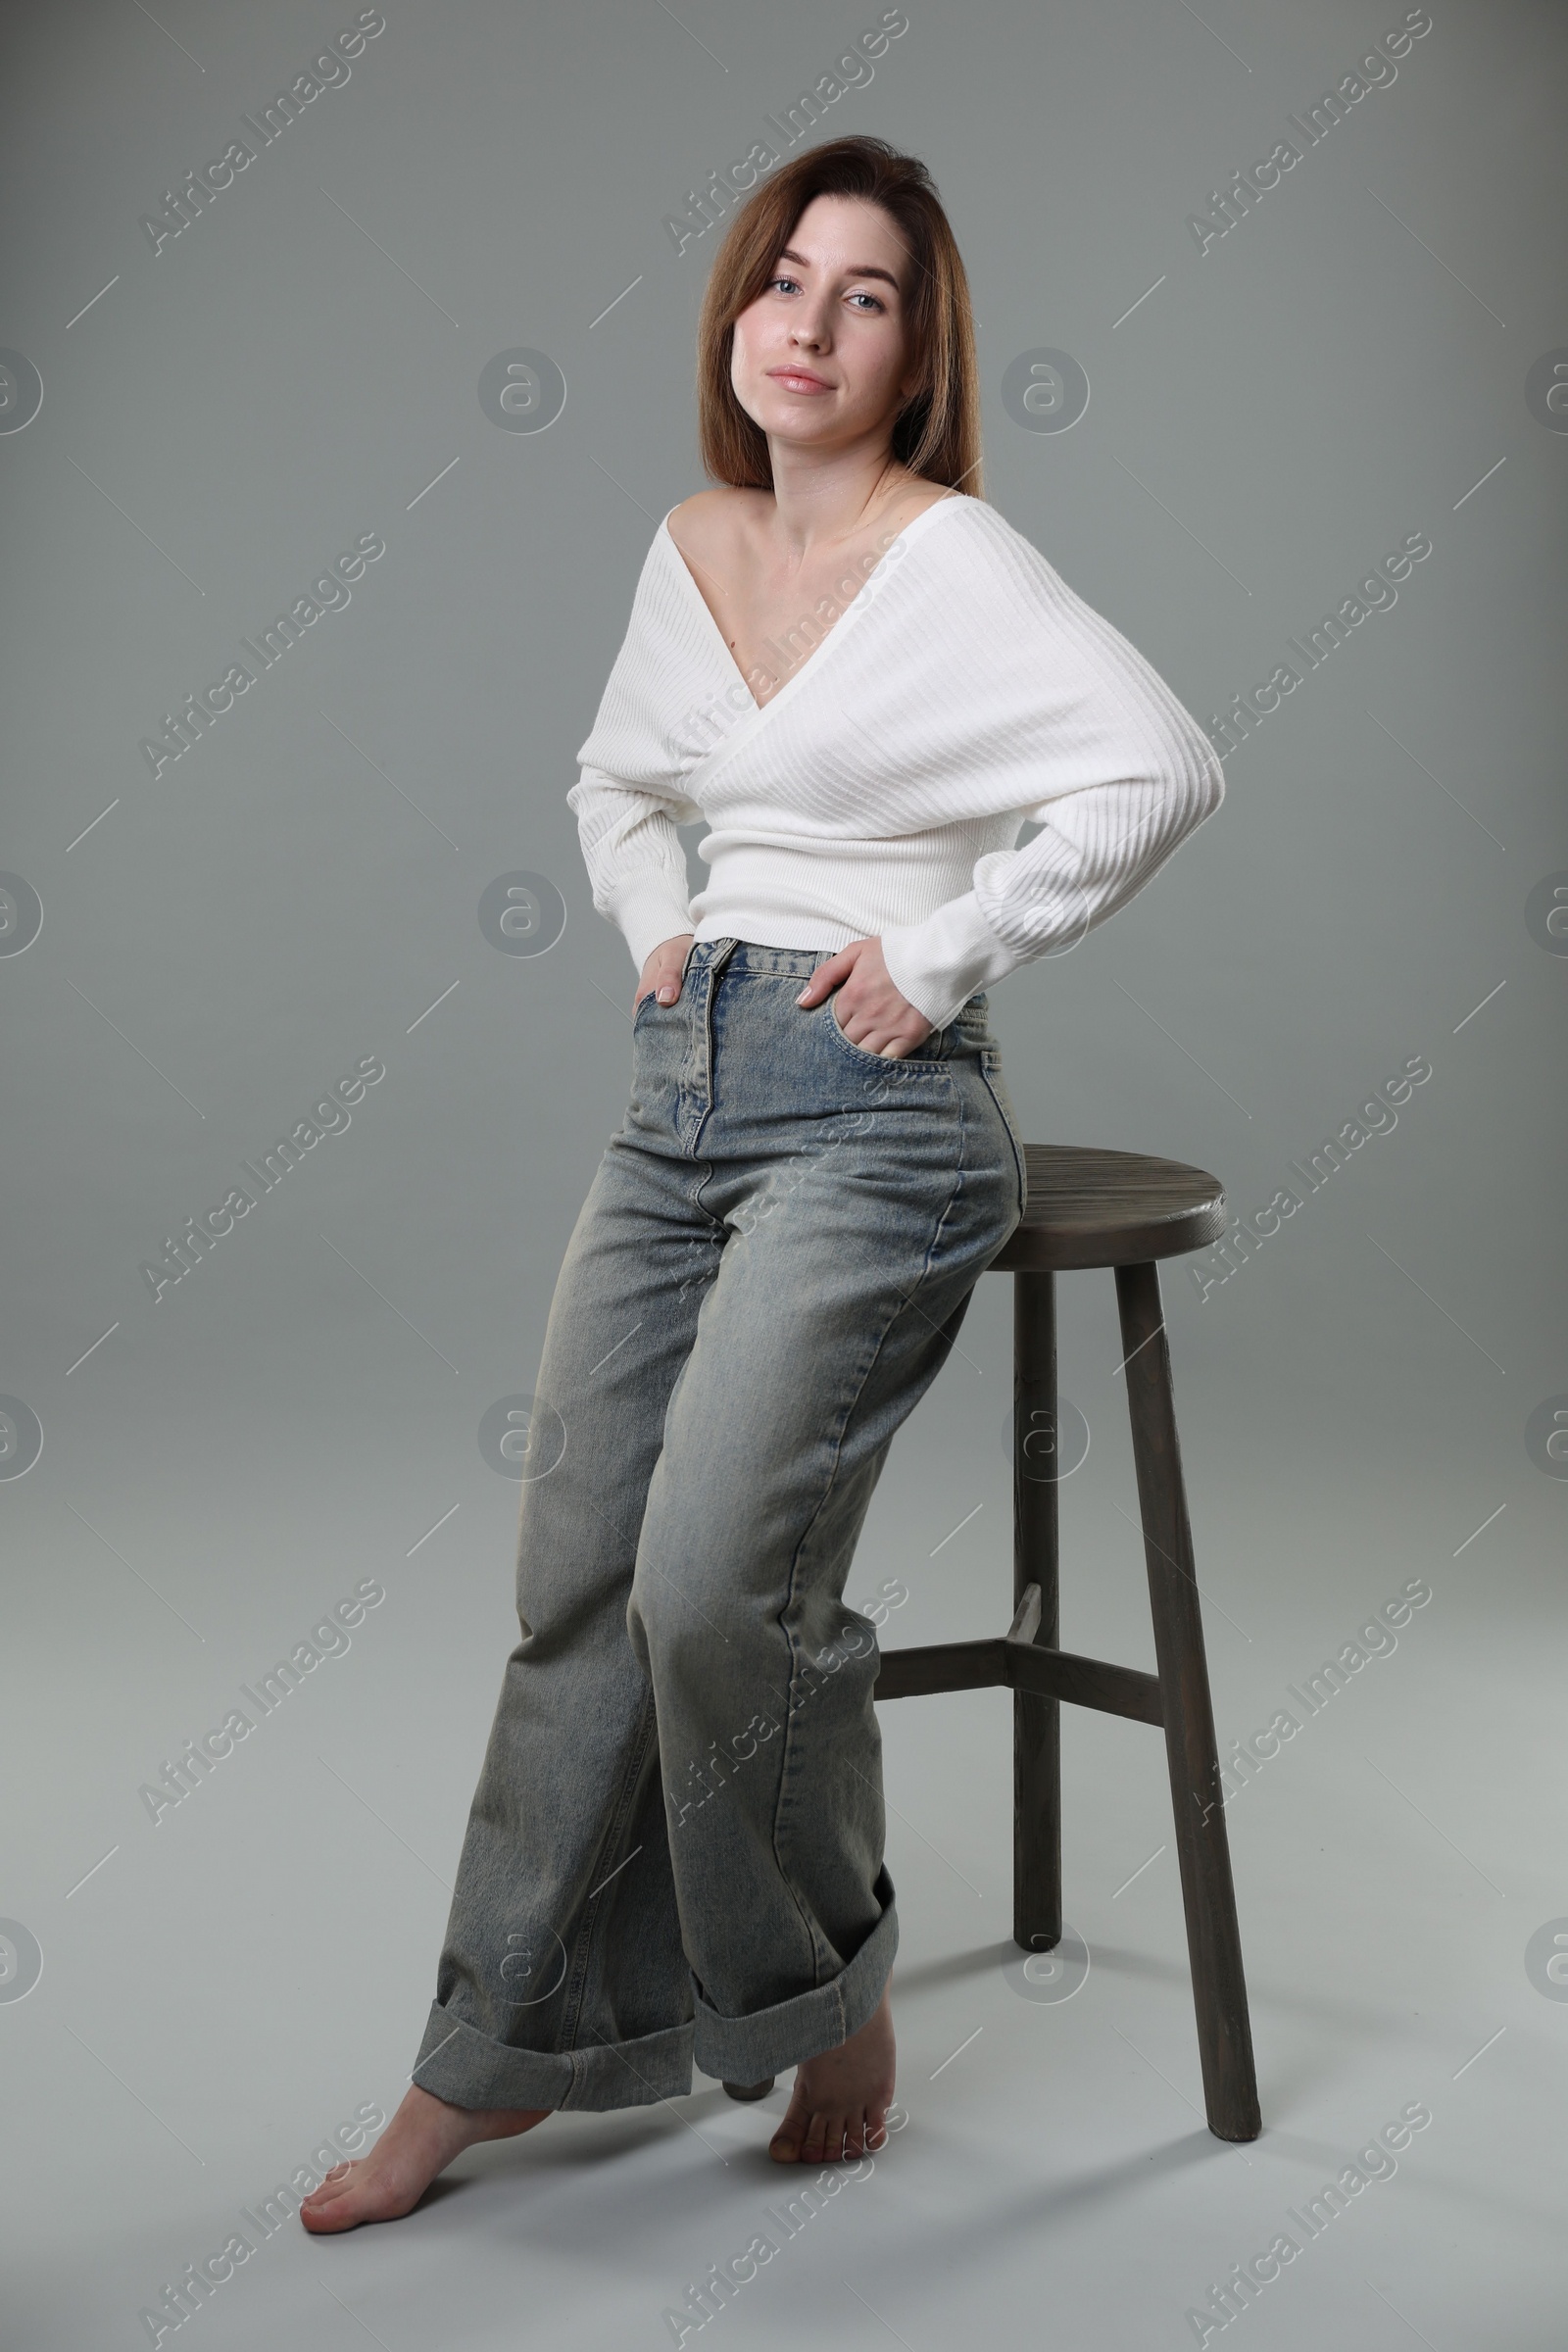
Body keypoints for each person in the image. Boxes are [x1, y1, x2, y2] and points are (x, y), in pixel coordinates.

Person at [302, 132, 1223, 2234]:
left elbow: (1162, 763)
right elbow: (613, 777)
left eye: (864, 294)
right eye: (783, 280)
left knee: (714, 1584)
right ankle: (494, 2064)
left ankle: (823, 1988)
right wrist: (653, 915)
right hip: (678, 1083)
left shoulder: (953, 556)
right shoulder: (691, 540)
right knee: (575, 1592)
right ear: (740, 312)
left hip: (879, 1113)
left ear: (918, 352)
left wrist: (934, 953)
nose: (806, 323)